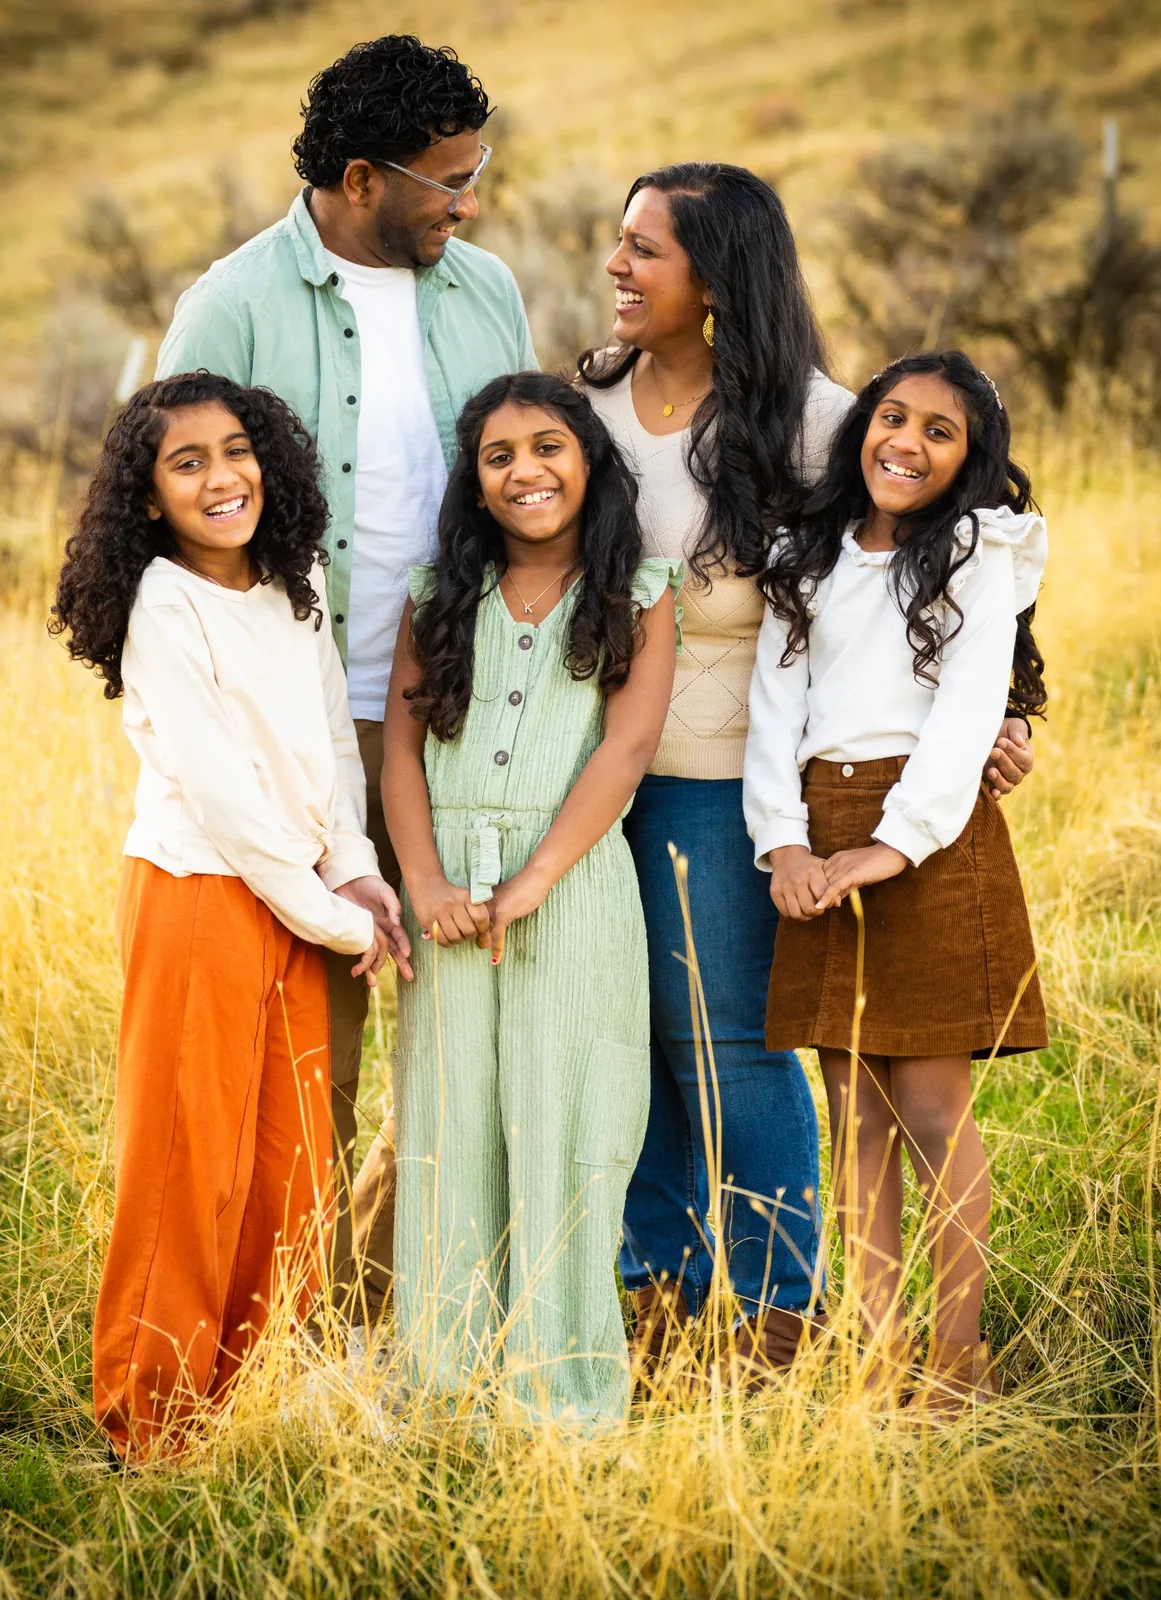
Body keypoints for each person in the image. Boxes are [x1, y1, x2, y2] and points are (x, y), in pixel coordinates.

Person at [578, 163, 1036, 1388]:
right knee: (626, 1042)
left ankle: (781, 1306)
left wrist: (1001, 720)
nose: (614, 267)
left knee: (728, 1044)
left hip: (733, 783)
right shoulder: (590, 404)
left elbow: (944, 588)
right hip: (584, 782)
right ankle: (656, 1290)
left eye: (644, 249)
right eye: (614, 243)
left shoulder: (820, 419)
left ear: (718, 279)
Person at [154, 35, 536, 1317]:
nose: (469, 201)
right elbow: (165, 516)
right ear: (364, 178)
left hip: (469, 715)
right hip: (306, 730)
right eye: (449, 180)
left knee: (471, 1019)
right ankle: (298, 1320)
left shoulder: (485, 291)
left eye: (476, 171)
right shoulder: (231, 305)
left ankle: (419, 1296)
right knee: (319, 1030)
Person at [48, 372, 408, 1459]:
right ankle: (149, 1417)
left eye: (235, 450)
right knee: (184, 1158)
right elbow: (224, 794)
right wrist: (333, 916)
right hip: (203, 890)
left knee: (287, 1159)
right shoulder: (165, 601)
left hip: (299, 896)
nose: (220, 476)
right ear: (148, 497)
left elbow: (327, 745)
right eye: (186, 461)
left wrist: (355, 869)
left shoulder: (291, 576)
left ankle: (246, 1395)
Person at [745, 350, 1049, 1411]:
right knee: (852, 1112)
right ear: (858, 425)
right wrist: (783, 841)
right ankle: (876, 1354)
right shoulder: (805, 551)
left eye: (937, 431)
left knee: (926, 1105)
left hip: (925, 832)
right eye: (891, 417)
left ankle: (955, 1354)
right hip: (821, 830)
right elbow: (774, 711)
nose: (904, 443)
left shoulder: (970, 549)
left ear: (968, 461)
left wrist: (895, 841)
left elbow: (970, 705)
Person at [381, 372, 680, 1422]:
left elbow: (628, 746)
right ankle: (443, 1376)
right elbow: (403, 754)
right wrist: (422, 881)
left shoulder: (637, 593)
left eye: (547, 445)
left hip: (572, 882)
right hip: (448, 899)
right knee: (452, 1122)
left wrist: (537, 875)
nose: (525, 471)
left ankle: (559, 1384)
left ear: (588, 461)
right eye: (498, 455)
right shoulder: (434, 596)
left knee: (565, 1120)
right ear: (472, 480)